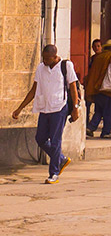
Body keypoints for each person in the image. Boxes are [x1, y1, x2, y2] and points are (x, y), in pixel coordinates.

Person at [11, 45, 80, 184]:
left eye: (48, 58)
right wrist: (20, 108)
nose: (45, 61)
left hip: (59, 107)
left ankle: (54, 173)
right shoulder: (41, 68)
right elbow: (34, 89)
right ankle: (61, 159)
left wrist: (76, 108)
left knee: (55, 141)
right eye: (43, 58)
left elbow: (73, 87)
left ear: (55, 56)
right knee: (40, 138)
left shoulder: (66, 66)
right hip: (45, 108)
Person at [85, 40, 111, 138]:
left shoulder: (97, 57)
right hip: (107, 89)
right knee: (108, 111)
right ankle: (106, 131)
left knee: (99, 110)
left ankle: (91, 127)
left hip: (97, 88)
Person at [84, 39, 102, 127]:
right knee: (87, 105)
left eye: (98, 46)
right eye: (94, 46)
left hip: (99, 86)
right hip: (91, 85)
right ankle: (87, 124)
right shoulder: (92, 58)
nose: (96, 48)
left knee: (99, 107)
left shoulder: (103, 58)